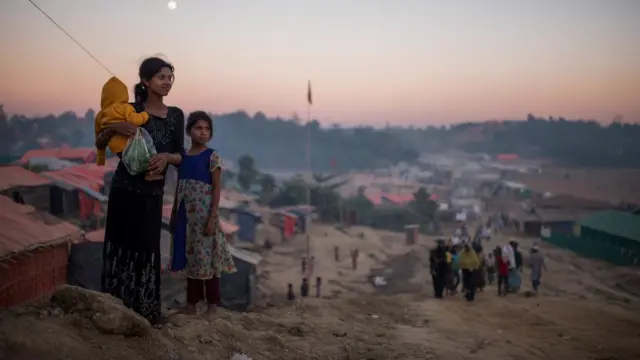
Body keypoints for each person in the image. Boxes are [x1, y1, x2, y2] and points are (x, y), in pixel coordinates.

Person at [99, 57, 184, 325]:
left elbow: (181, 154)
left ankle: (146, 311)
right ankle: (116, 309)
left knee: (148, 248)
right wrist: (114, 127)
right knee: (122, 245)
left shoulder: (176, 115)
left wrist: (166, 159)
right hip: (125, 189)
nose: (167, 82)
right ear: (146, 81)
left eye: (170, 77)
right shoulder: (127, 109)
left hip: (152, 193)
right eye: (161, 77)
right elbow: (100, 142)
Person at [169, 111, 236, 320]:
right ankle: (191, 305)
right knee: (191, 260)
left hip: (205, 217)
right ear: (189, 131)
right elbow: (179, 188)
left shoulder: (212, 156)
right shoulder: (184, 158)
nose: (203, 132)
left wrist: (212, 218)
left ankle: (212, 307)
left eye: (207, 129)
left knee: (208, 262)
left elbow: (216, 188)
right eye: (198, 128)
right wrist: (173, 213)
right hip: (186, 218)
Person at [94, 76, 149, 166]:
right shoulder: (126, 108)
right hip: (129, 145)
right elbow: (135, 120)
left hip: (115, 148)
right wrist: (145, 115)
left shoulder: (101, 114)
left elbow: (98, 138)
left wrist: (101, 159)